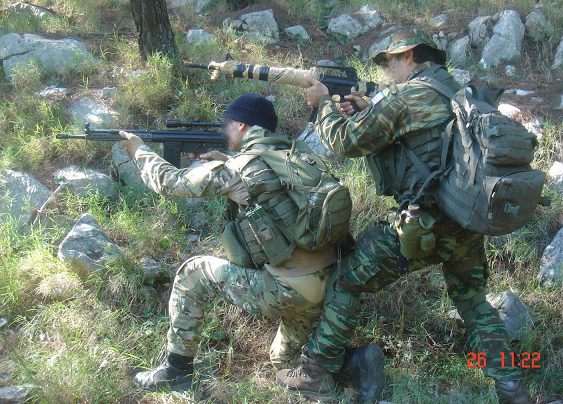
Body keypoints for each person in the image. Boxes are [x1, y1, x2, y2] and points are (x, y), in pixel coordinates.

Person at [277, 29, 535, 404]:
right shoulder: (457, 92)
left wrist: (321, 105)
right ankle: (512, 388)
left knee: (348, 280)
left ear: (410, 56)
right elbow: (423, 141)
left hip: (422, 225)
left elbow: (345, 143)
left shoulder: (407, 95)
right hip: (465, 220)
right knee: (474, 303)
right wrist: (369, 112)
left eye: (390, 60)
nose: (387, 69)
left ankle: (315, 371)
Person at [119, 93, 378, 393]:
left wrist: (138, 149)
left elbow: (169, 183)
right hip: (327, 287)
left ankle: (176, 370)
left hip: (287, 290)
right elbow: (270, 191)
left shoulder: (238, 167)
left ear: (242, 125)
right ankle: (351, 364)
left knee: (193, 272)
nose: (226, 132)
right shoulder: (298, 155)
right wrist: (226, 162)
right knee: (281, 363)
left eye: (228, 125)